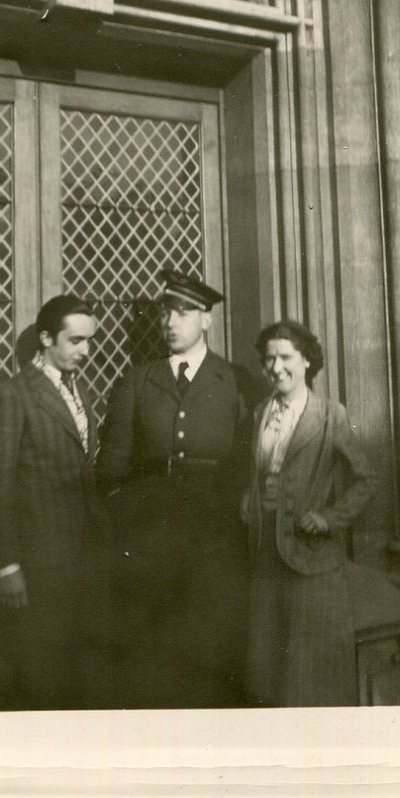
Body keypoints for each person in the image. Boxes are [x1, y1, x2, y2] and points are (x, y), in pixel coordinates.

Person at [98, 268, 251, 708]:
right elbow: (113, 461)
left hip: (215, 527)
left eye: (184, 312)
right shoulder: (139, 379)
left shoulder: (235, 381)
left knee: (210, 630)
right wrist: (122, 511)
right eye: (167, 311)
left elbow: (248, 455)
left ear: (206, 320)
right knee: (153, 637)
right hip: (149, 527)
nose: (171, 320)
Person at [0, 295, 109, 710]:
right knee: (43, 673)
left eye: (89, 341)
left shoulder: (77, 389)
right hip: (39, 563)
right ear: (46, 338)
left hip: (84, 557)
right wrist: (7, 564)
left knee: (80, 668)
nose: (85, 351)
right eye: (76, 340)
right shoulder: (13, 395)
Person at [241, 320, 378, 707]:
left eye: (285, 357)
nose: (276, 367)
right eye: (269, 359)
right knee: (268, 671)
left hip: (311, 560)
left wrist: (330, 518)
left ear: (306, 362)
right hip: (266, 554)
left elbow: (367, 479)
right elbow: (260, 472)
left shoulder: (330, 414)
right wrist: (249, 499)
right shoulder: (259, 414)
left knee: (311, 677)